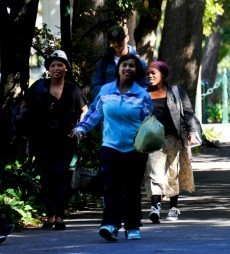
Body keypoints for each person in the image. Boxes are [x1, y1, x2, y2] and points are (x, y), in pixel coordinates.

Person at [74, 54, 152, 241]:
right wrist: (81, 128)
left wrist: (152, 142)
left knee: (132, 189)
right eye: (124, 65)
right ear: (118, 69)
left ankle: (133, 226)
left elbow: (151, 122)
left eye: (132, 66)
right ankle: (110, 225)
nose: (127, 69)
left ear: (136, 70)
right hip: (110, 147)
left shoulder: (142, 94)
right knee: (112, 188)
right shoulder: (106, 90)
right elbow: (94, 113)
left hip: (135, 149)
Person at [17, 50, 88, 230]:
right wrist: (27, 123)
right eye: (53, 65)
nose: (56, 68)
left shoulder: (74, 89)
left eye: (60, 64)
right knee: (46, 178)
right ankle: (50, 216)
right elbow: (24, 106)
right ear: (48, 68)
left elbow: (85, 110)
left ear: (66, 68)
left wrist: (79, 129)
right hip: (42, 139)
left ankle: (60, 216)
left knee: (61, 175)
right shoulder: (39, 86)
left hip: (65, 139)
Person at [144, 61, 197, 224]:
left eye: (154, 73)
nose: (150, 76)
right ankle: (155, 208)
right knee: (154, 172)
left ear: (163, 75)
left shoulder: (176, 92)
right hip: (153, 138)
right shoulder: (143, 94)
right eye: (148, 74)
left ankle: (173, 208)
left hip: (174, 137)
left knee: (173, 172)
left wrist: (191, 131)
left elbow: (188, 113)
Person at [90, 25, 148, 99]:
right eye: (113, 41)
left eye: (119, 40)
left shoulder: (139, 62)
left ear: (126, 38)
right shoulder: (104, 61)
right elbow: (95, 86)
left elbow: (145, 86)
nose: (116, 44)